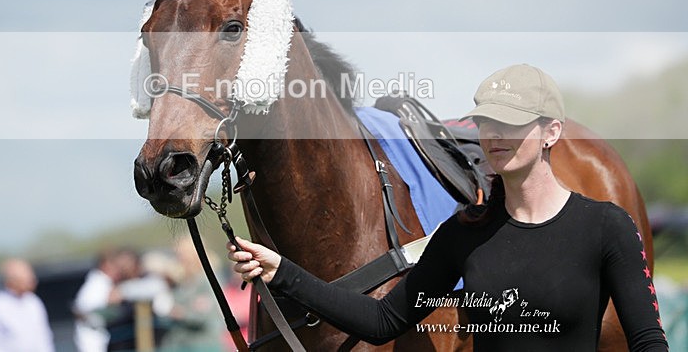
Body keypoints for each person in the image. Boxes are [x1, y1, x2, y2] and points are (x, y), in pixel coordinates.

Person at [227, 64, 670, 351]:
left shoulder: (607, 227)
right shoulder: (464, 233)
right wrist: (282, 271)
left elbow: (648, 340)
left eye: (512, 123)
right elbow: (382, 320)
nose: (496, 134)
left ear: (551, 132)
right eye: (487, 122)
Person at [159, 236, 223, 352]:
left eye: (180, 254)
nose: (178, 258)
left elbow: (205, 314)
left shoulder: (207, 279)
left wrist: (181, 313)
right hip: (180, 343)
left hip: (203, 343)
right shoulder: (181, 280)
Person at [0, 257, 54, 352]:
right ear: (12, 281)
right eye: (26, 277)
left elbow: (44, 337)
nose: (32, 280)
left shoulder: (34, 302)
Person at [73, 249, 123, 352]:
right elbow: (82, 312)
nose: (119, 269)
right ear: (105, 264)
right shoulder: (96, 284)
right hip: (92, 340)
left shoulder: (103, 283)